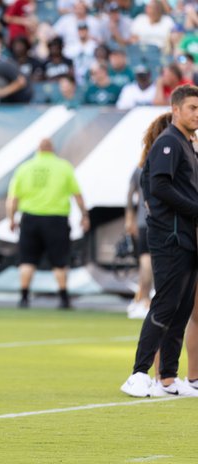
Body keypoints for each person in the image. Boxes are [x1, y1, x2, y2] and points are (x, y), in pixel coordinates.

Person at [120, 85, 198, 398]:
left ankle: (168, 377)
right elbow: (160, 187)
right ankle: (138, 373)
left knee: (181, 308)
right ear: (175, 109)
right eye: (192, 107)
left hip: (187, 236)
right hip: (171, 236)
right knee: (165, 304)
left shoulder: (188, 145)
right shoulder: (169, 143)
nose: (197, 113)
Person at [6, 138, 90, 309]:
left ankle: (23, 297)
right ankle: (64, 298)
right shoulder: (63, 167)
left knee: (27, 260)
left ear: (38, 150)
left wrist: (11, 218)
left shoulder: (25, 168)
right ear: (52, 149)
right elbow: (78, 195)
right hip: (56, 219)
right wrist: (84, 215)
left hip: (30, 218)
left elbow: (12, 199)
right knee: (59, 260)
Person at [125, 113, 171, 320]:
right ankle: (144, 300)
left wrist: (129, 219)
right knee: (148, 262)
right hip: (157, 219)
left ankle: (140, 299)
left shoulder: (141, 166)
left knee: (146, 260)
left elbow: (130, 195)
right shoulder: (163, 161)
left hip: (144, 220)